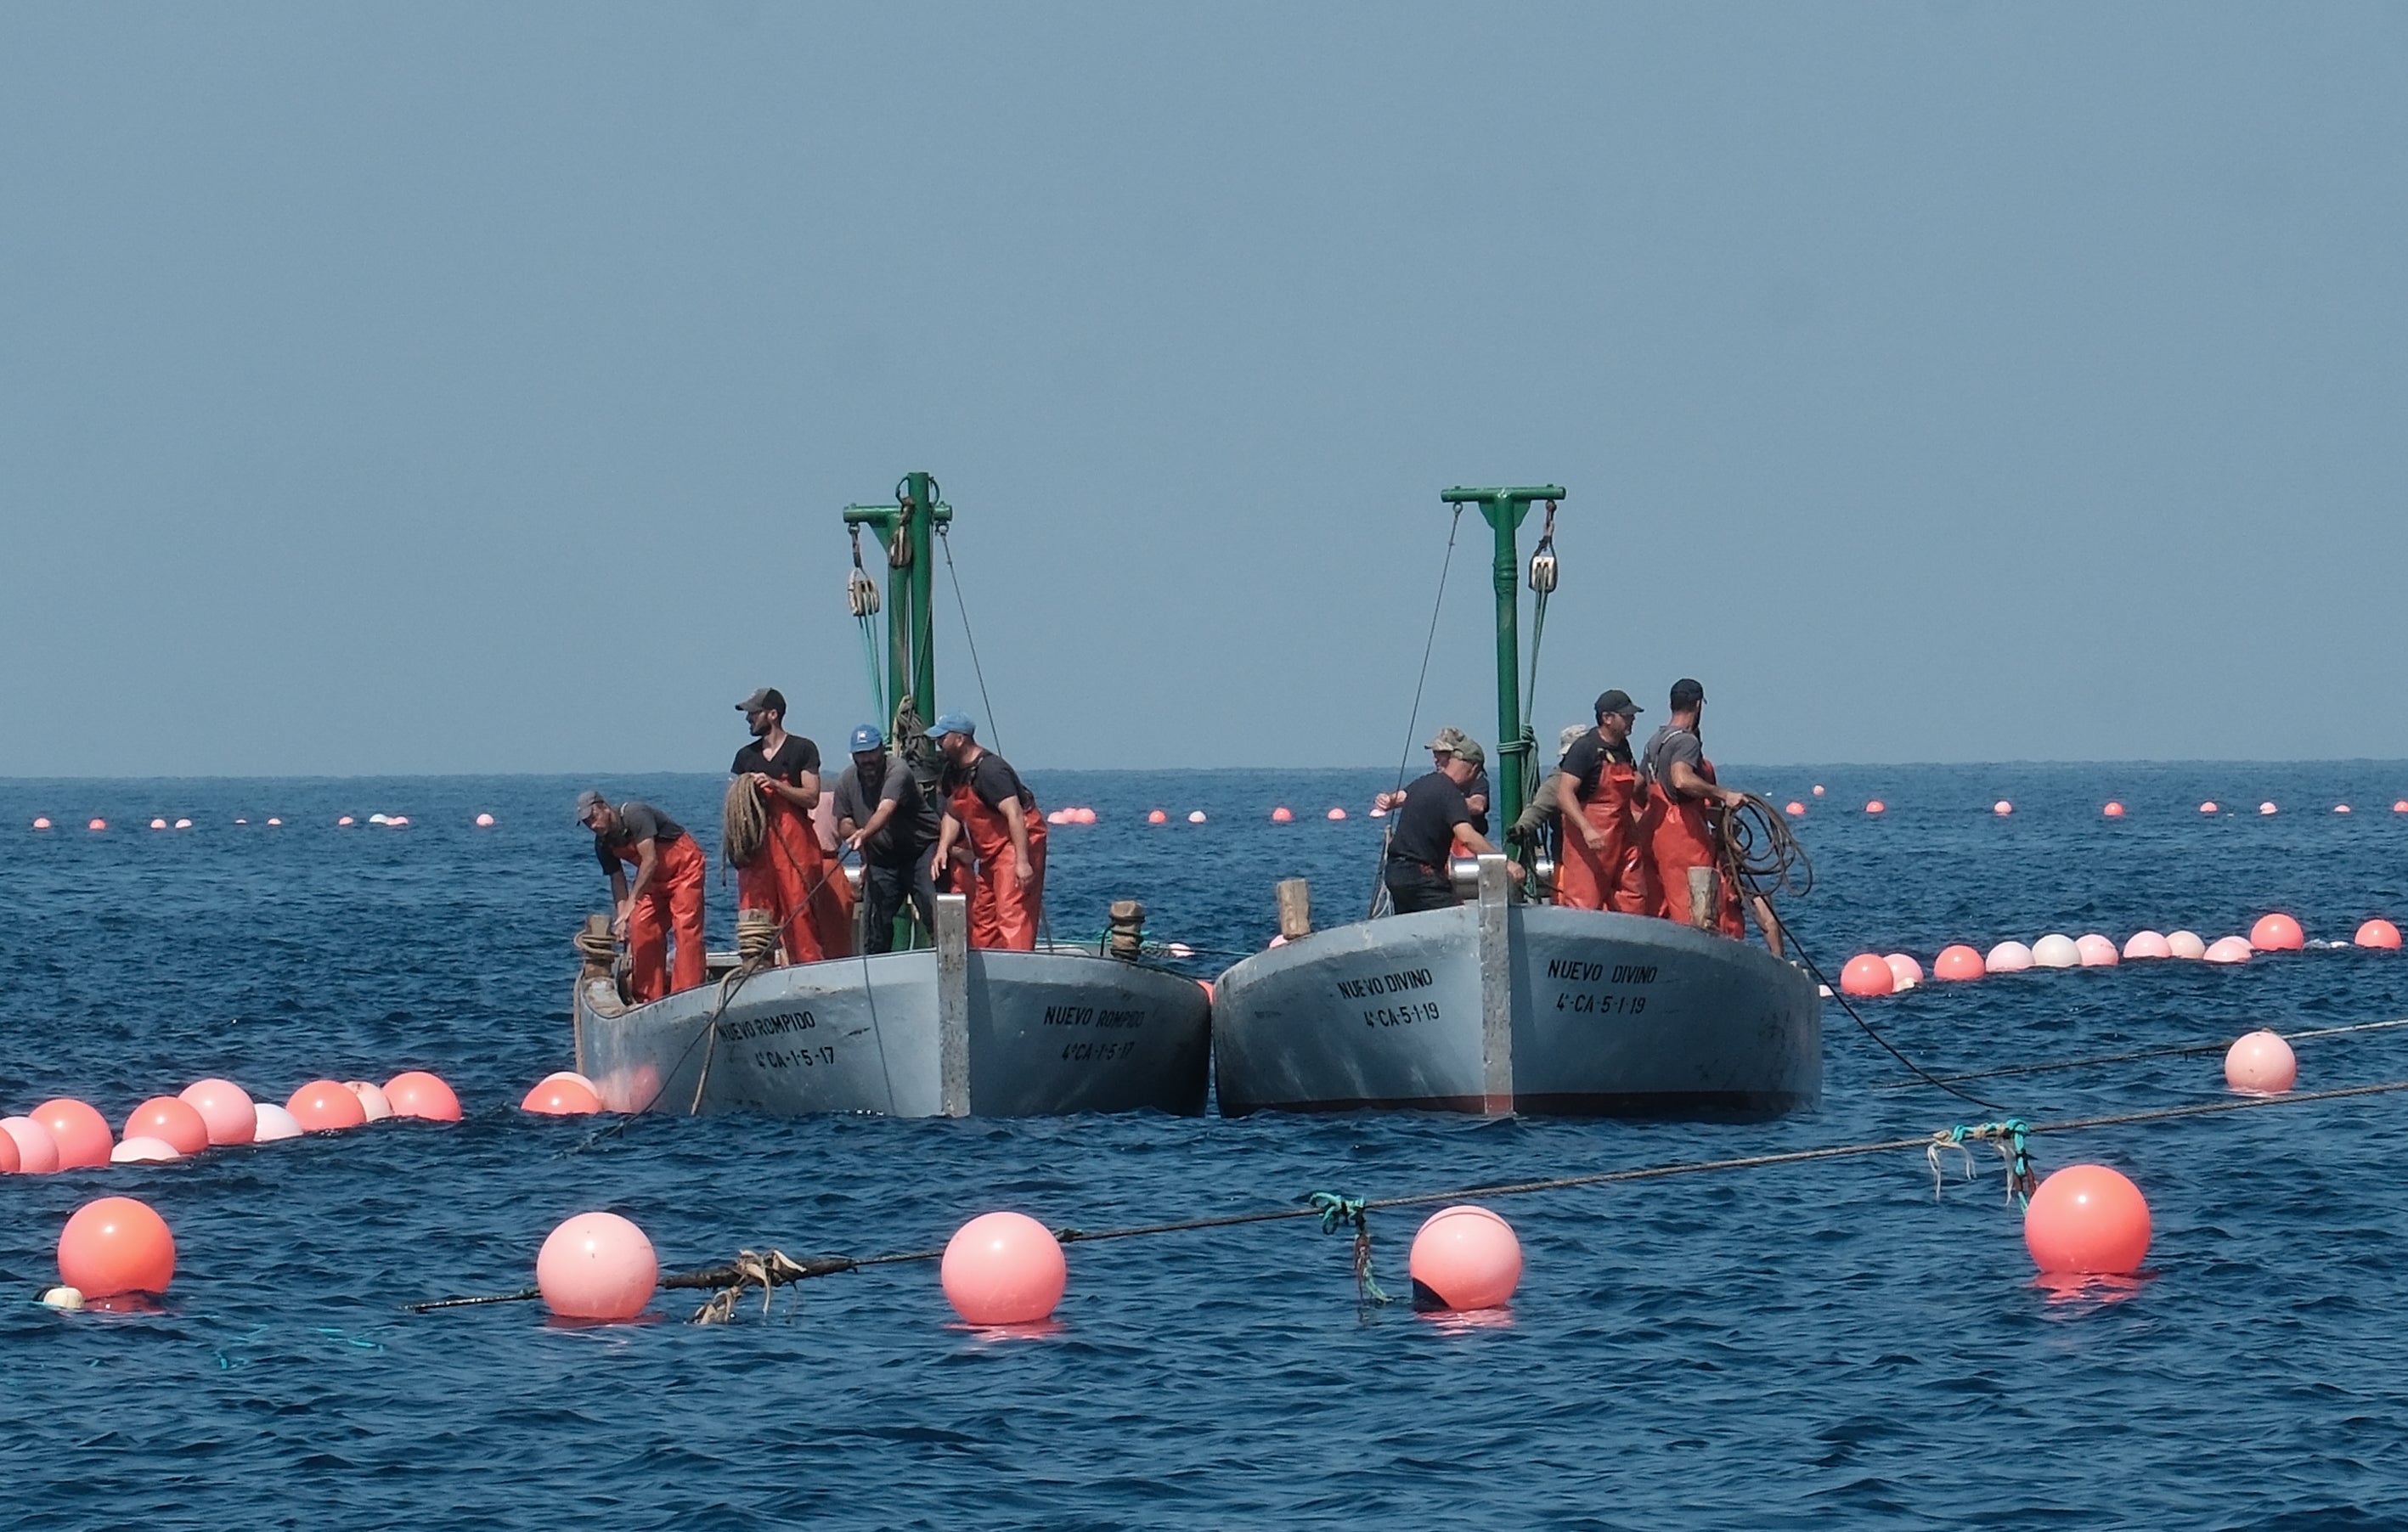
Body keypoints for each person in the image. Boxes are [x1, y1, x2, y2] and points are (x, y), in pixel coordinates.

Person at [730, 687, 852, 964]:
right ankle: (755, 967)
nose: (748, 719)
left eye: (753, 713)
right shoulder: (744, 757)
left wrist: (775, 786)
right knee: (755, 912)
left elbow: (810, 797)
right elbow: (735, 802)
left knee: (799, 910)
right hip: (757, 847)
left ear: (772, 714)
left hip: (794, 844)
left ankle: (806, 969)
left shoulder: (802, 749)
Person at [928, 712, 1048, 949]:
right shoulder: (953, 771)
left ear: (960, 739)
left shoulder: (991, 771)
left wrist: (1022, 862)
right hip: (989, 852)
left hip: (1015, 844)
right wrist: (943, 848)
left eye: (942, 738)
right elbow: (954, 811)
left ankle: (1017, 966)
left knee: (1011, 911)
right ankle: (988, 966)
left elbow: (1015, 814)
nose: (938, 745)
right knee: (983, 914)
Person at [1638, 678, 1747, 936]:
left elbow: (1638, 784)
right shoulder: (1687, 741)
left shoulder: (1655, 740)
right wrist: (1724, 795)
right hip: (1683, 835)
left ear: (1671, 704)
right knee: (1697, 907)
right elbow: (1681, 779)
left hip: (1655, 829)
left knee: (1663, 904)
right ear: (1698, 705)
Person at [578, 788, 707, 1002]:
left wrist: (632, 902)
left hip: (685, 870)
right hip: (653, 882)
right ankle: (647, 997)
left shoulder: (635, 815)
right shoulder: (603, 844)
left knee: (686, 929)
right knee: (640, 927)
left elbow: (650, 860)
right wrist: (622, 919)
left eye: (594, 818)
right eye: (587, 824)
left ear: (604, 807)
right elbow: (617, 880)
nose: (593, 826)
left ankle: (686, 994)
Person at [1379, 728, 1521, 914]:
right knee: (1458, 920)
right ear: (1473, 769)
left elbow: (1401, 798)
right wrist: (1506, 862)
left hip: (1395, 873)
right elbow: (1467, 837)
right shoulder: (1450, 793)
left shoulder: (1424, 783)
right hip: (1421, 876)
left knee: (1414, 926)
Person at [833, 724, 939, 953]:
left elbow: (885, 810)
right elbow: (844, 820)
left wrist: (865, 833)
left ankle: (943, 957)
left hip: (919, 851)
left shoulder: (898, 771)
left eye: (871, 752)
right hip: (882, 858)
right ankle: (877, 965)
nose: (867, 759)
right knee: (875, 921)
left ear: (882, 749)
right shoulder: (846, 780)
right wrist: (852, 834)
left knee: (933, 907)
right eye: (861, 754)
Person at [1555, 689, 1655, 914]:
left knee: (1633, 895)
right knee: (1585, 902)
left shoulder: (1623, 748)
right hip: (1590, 839)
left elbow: (1628, 790)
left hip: (1623, 833)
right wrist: (1587, 829)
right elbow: (1564, 793)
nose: (1632, 719)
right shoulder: (1585, 749)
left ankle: (1631, 943)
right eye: (1626, 715)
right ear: (1607, 718)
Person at [1375, 727, 1491, 831]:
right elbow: (1407, 796)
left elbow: (1477, 805)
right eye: (1435, 753)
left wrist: (1443, 802)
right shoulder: (1432, 782)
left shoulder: (1475, 780)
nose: (1436, 759)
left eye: (1441, 754)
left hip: (1464, 847)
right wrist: (1389, 800)